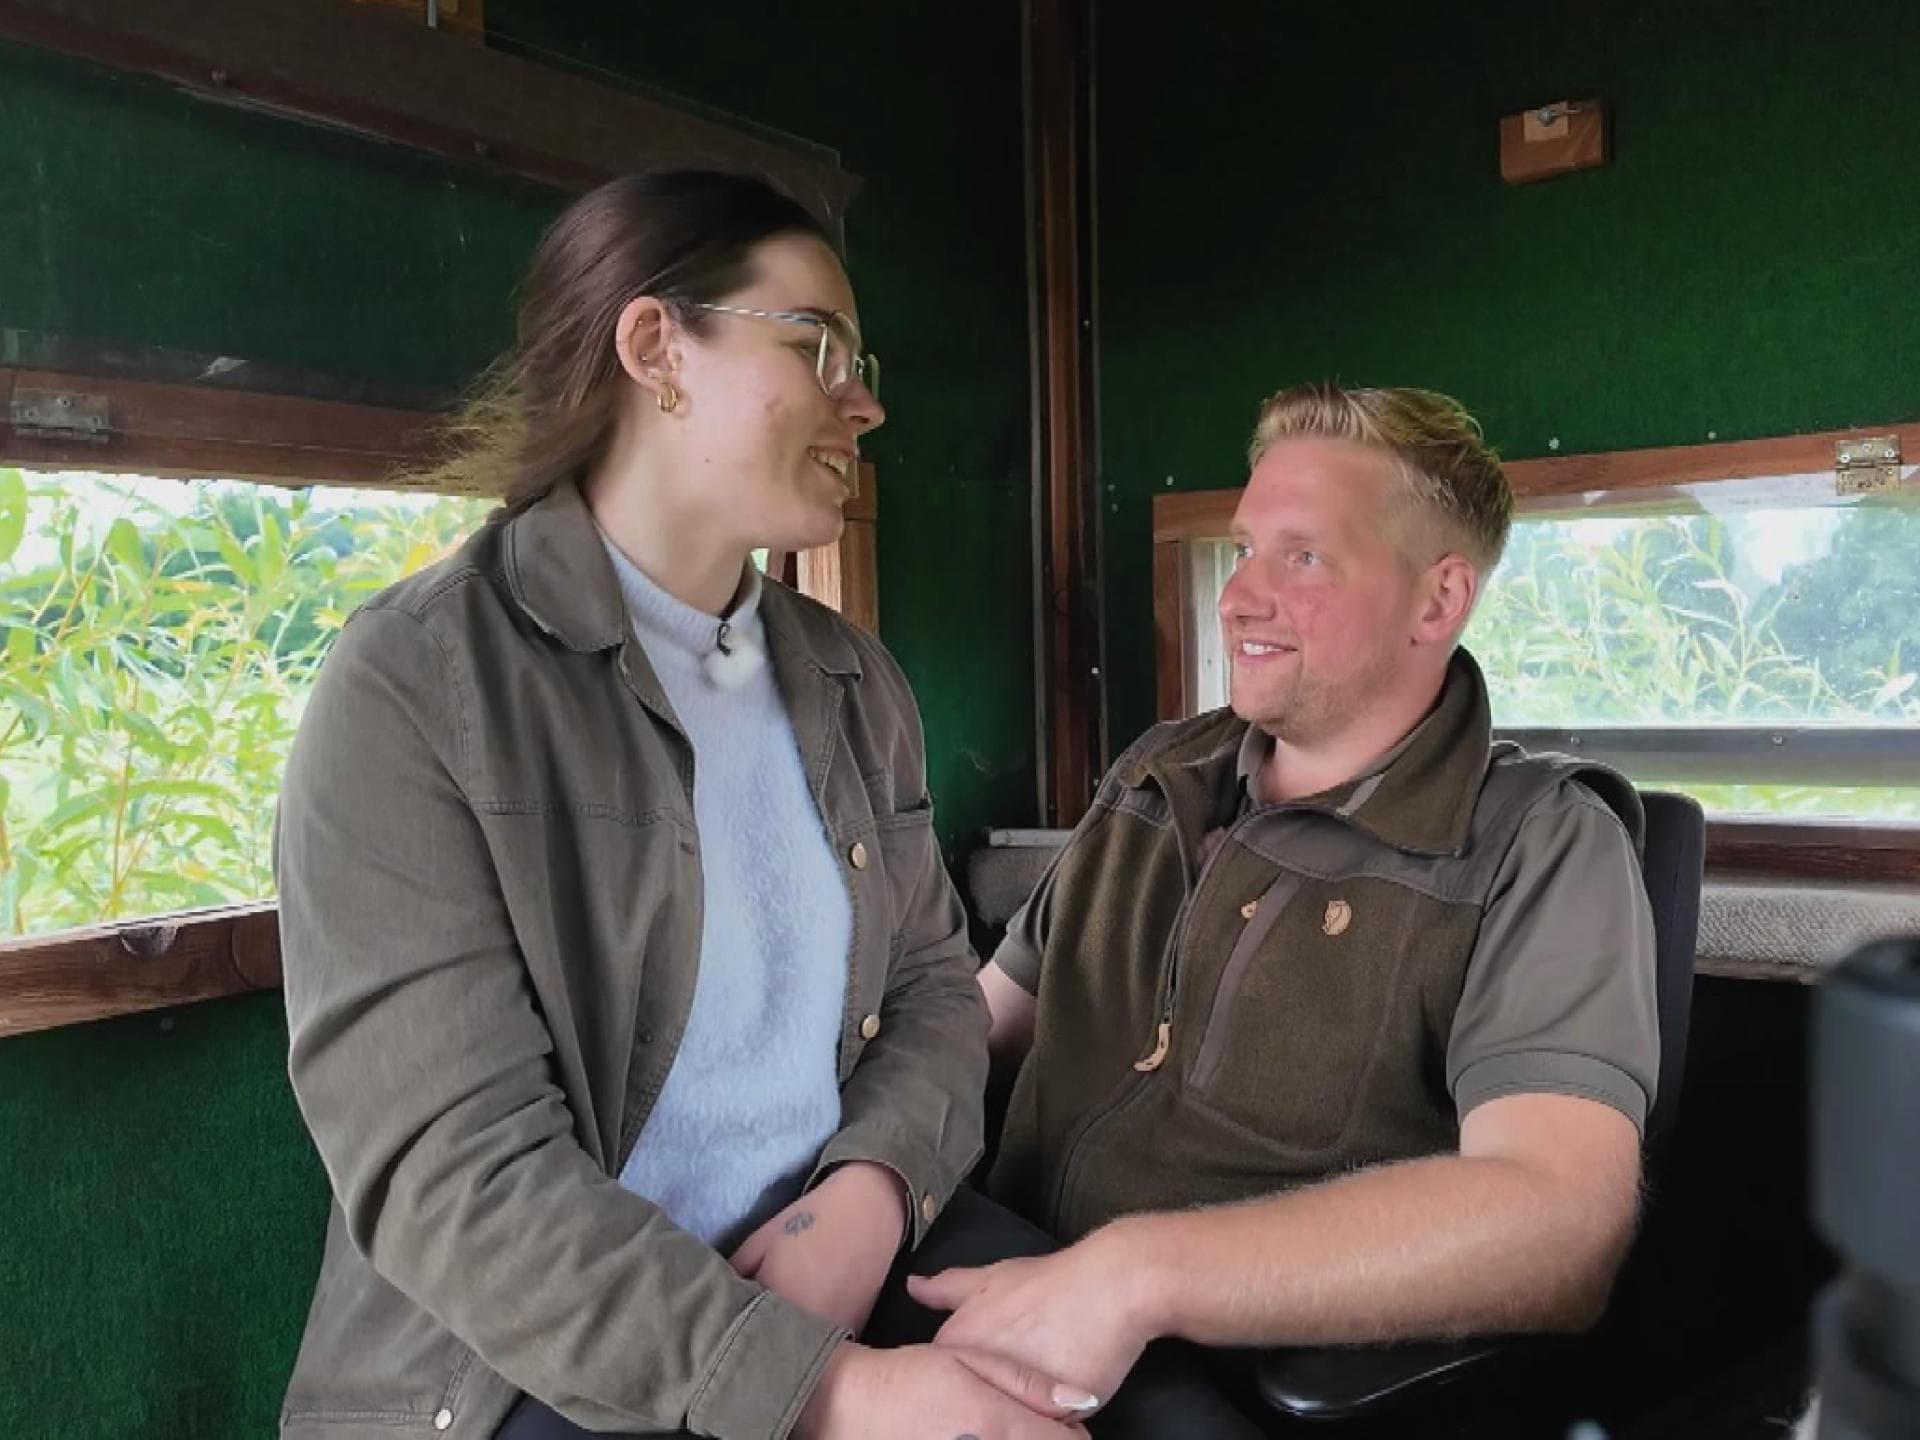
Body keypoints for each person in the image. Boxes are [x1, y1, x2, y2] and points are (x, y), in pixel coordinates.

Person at [275, 170, 1093, 1440]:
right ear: (658, 348)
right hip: (547, 1354)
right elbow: (458, 1178)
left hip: (847, 1248)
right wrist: (830, 1392)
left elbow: (938, 987)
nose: (865, 402)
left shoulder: (852, 679)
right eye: (821, 346)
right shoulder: (419, 684)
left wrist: (866, 1196)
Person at [917, 384, 1659, 1430]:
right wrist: (855, 1165)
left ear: (1438, 601)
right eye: (1244, 548)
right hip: (990, 1281)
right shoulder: (1157, 770)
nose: (1239, 596)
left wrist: (1139, 1275)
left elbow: (1558, 1220)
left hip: (1222, 1385)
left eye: (1302, 556)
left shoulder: (1538, 844)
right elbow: (983, 1018)